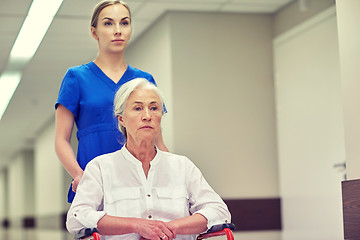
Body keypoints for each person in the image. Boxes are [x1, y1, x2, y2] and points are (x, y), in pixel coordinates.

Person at [66, 78, 231, 240]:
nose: (147, 116)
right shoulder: (100, 167)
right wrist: (136, 225)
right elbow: (76, 217)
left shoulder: (182, 166)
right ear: (121, 119)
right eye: (137, 108)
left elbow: (219, 211)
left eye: (154, 108)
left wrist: (171, 228)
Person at [55, 0, 168, 203]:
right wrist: (79, 175)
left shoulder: (144, 80)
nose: (118, 30)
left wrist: (170, 175)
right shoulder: (76, 77)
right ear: (94, 32)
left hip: (140, 185)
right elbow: (61, 140)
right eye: (108, 23)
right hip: (93, 184)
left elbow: (157, 142)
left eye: (124, 23)